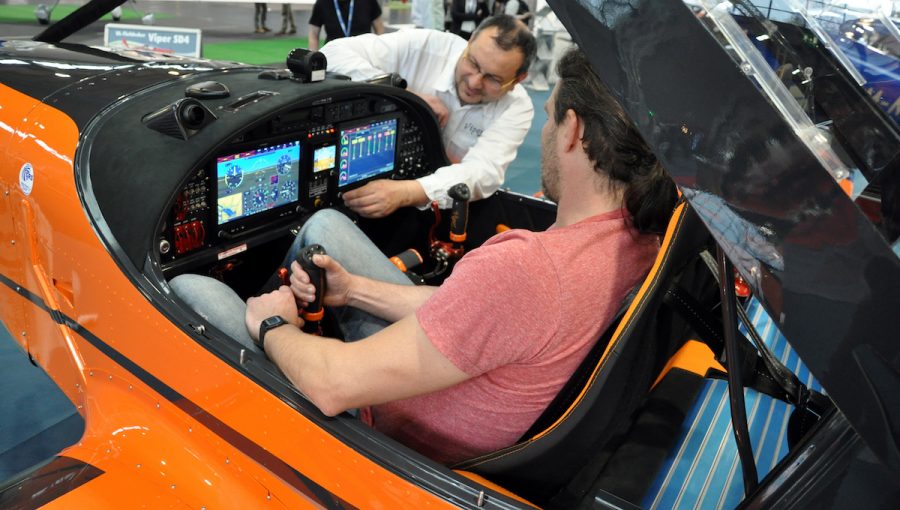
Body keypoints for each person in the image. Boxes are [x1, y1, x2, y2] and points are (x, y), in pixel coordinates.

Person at [171, 47, 677, 464]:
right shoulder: (639, 237)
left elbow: (332, 385)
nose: (544, 132)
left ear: (574, 131)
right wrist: (353, 290)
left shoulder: (528, 268)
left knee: (192, 289)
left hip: (388, 438)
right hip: (484, 394)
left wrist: (273, 324)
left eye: (549, 119)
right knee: (325, 224)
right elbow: (482, 315)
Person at [320, 15, 536, 217]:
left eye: (493, 79)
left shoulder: (516, 106)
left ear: (518, 79)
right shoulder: (426, 46)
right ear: (469, 43)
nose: (474, 82)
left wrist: (406, 192)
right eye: (473, 63)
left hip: (438, 207)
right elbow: (332, 53)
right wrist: (407, 95)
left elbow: (483, 172)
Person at [308, 0, 385, 52]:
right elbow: (314, 34)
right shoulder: (322, 2)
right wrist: (313, 58)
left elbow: (379, 28)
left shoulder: (368, 1)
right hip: (334, 55)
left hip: (363, 55)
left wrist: (378, 51)